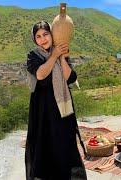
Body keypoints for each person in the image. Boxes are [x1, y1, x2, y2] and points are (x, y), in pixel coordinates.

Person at [25, 21, 87, 180]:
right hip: (43, 110)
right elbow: (40, 74)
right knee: (44, 144)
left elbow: (70, 77)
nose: (43, 39)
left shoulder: (62, 52)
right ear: (34, 40)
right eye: (38, 36)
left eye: (45, 34)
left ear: (52, 35)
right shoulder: (34, 56)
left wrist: (61, 57)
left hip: (62, 109)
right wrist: (53, 56)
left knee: (63, 142)